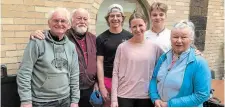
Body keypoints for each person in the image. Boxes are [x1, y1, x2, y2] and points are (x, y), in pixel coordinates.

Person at [29, 8, 97, 107]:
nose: (82, 21)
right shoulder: (63, 34)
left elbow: (98, 61)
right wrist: (34, 34)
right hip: (67, 91)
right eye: (79, 18)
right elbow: (49, 34)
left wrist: (97, 82)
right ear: (71, 21)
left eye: (85, 19)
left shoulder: (93, 38)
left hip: (89, 88)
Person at [17, 7, 80, 107]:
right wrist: (26, 101)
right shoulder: (37, 42)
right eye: (56, 20)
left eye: (63, 21)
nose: (59, 24)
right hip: (41, 101)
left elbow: (74, 74)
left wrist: (75, 100)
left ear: (68, 25)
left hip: (65, 100)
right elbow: (24, 72)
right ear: (49, 23)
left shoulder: (71, 47)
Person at [149, 20, 211, 107]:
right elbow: (154, 79)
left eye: (183, 37)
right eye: (175, 37)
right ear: (170, 38)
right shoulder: (163, 57)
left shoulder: (199, 63)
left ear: (191, 40)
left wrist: (169, 104)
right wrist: (155, 98)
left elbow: (202, 95)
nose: (179, 41)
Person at [111, 12, 163, 107]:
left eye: (140, 25)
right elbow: (115, 73)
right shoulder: (122, 47)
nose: (138, 29)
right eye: (134, 26)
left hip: (147, 96)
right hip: (124, 95)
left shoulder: (155, 48)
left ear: (146, 24)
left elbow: (172, 59)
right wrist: (114, 99)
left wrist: (193, 50)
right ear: (130, 28)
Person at [96, 4, 132, 106]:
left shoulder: (130, 36)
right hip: (108, 79)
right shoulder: (101, 38)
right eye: (112, 16)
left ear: (122, 18)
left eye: (118, 16)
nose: (115, 18)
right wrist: (102, 85)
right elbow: (99, 62)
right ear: (108, 19)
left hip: (125, 81)